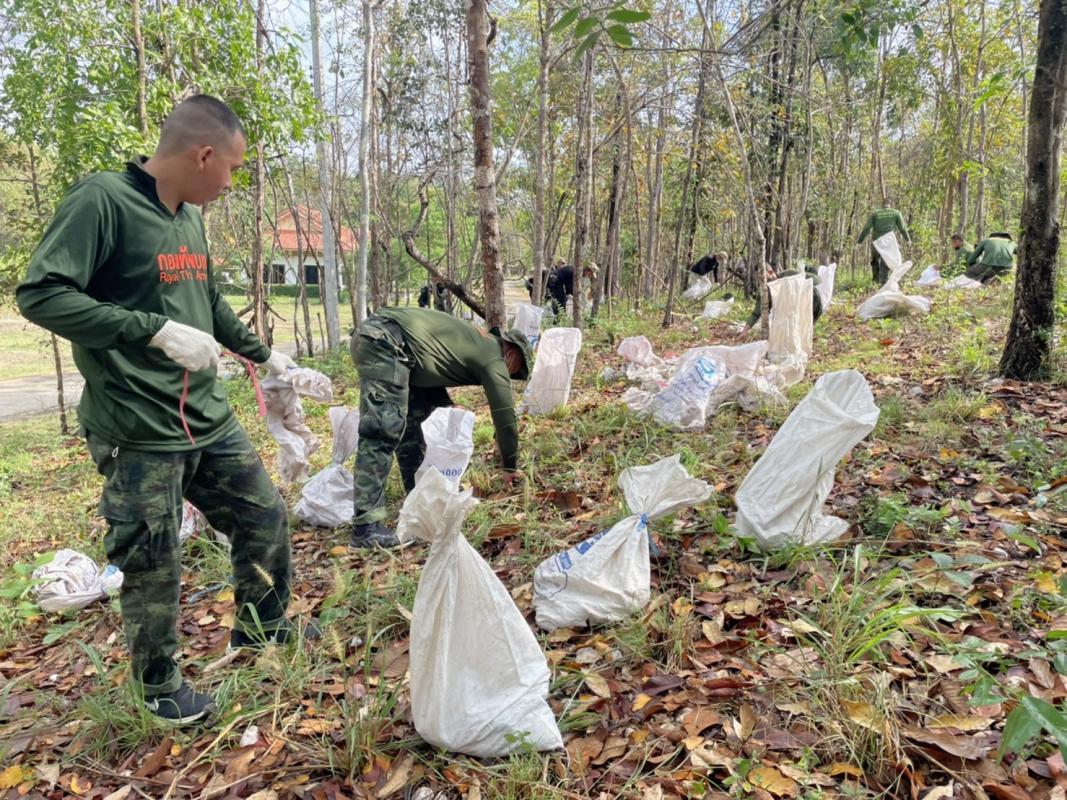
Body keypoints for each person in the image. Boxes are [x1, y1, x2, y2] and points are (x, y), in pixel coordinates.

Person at [16, 96, 314, 727]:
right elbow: (40, 295)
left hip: (207, 418)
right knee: (152, 556)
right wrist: (150, 329)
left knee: (263, 516)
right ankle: (159, 686)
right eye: (230, 169)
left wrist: (270, 358)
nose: (231, 184)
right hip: (137, 426)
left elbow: (210, 306)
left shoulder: (190, 220)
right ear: (202, 154)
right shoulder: (102, 201)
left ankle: (261, 628)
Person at [349, 307, 534, 548]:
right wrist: (509, 465)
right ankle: (366, 528)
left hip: (401, 350)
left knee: (416, 429)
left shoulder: (477, 341)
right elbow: (505, 414)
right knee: (382, 430)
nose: (510, 376)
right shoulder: (494, 357)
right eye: (515, 371)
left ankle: (419, 500)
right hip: (386, 342)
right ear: (511, 355)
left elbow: (433, 366)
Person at [739, 265, 822, 337]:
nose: (762, 282)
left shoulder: (789, 274)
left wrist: (796, 284)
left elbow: (817, 280)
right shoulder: (766, 291)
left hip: (810, 306)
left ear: (771, 272)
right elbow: (756, 313)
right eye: (759, 280)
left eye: (763, 278)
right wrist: (745, 331)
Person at [857, 202, 911, 284]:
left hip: (877, 241)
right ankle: (884, 281)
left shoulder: (875, 213)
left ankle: (875, 281)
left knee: (875, 261)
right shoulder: (896, 213)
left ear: (882, 206)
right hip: (889, 241)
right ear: (890, 205)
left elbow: (867, 228)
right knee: (886, 261)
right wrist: (908, 239)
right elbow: (902, 228)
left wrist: (860, 241)